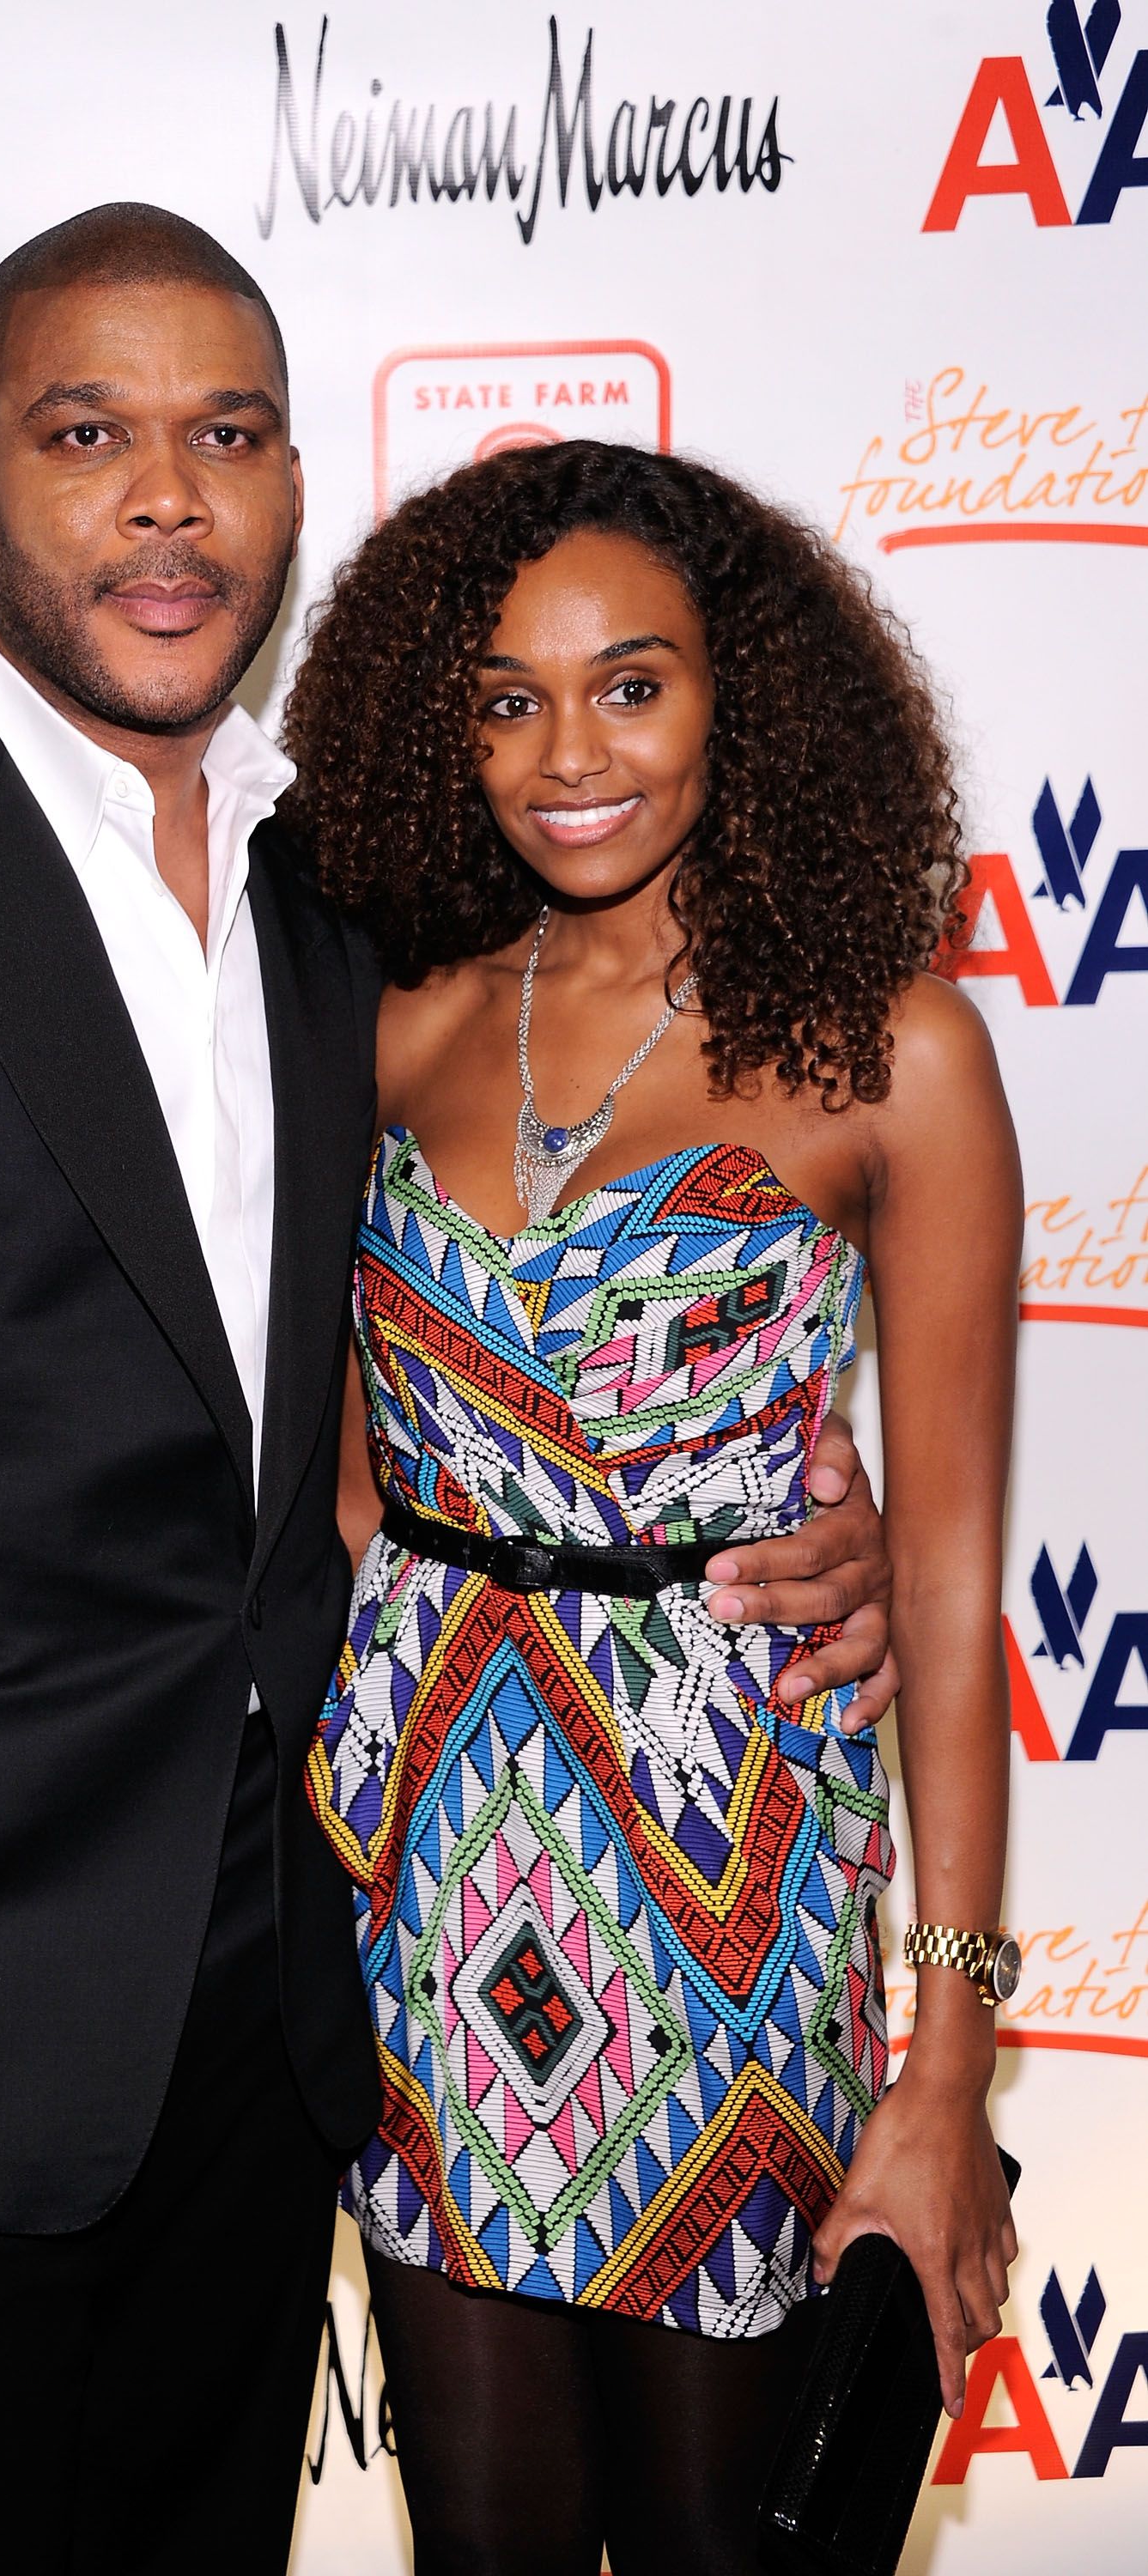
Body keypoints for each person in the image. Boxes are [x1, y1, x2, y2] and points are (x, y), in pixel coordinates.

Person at [0, 214, 895, 2575]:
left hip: (273, 2054)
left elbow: (468, 1354)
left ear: (285, 491)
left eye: (225, 436)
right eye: (88, 435)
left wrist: (777, 1502)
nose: (167, 499)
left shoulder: (343, 907)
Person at [289, 439, 1020, 2576]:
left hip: (736, 1873)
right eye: (508, 699)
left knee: (732, 2542)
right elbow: (344, 1482)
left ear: (742, 700)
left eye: (633, 685)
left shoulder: (893, 1053)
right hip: (428, 1879)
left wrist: (948, 2058)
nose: (567, 754)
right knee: (485, 2544)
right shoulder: (399, 1017)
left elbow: (956, 1588)